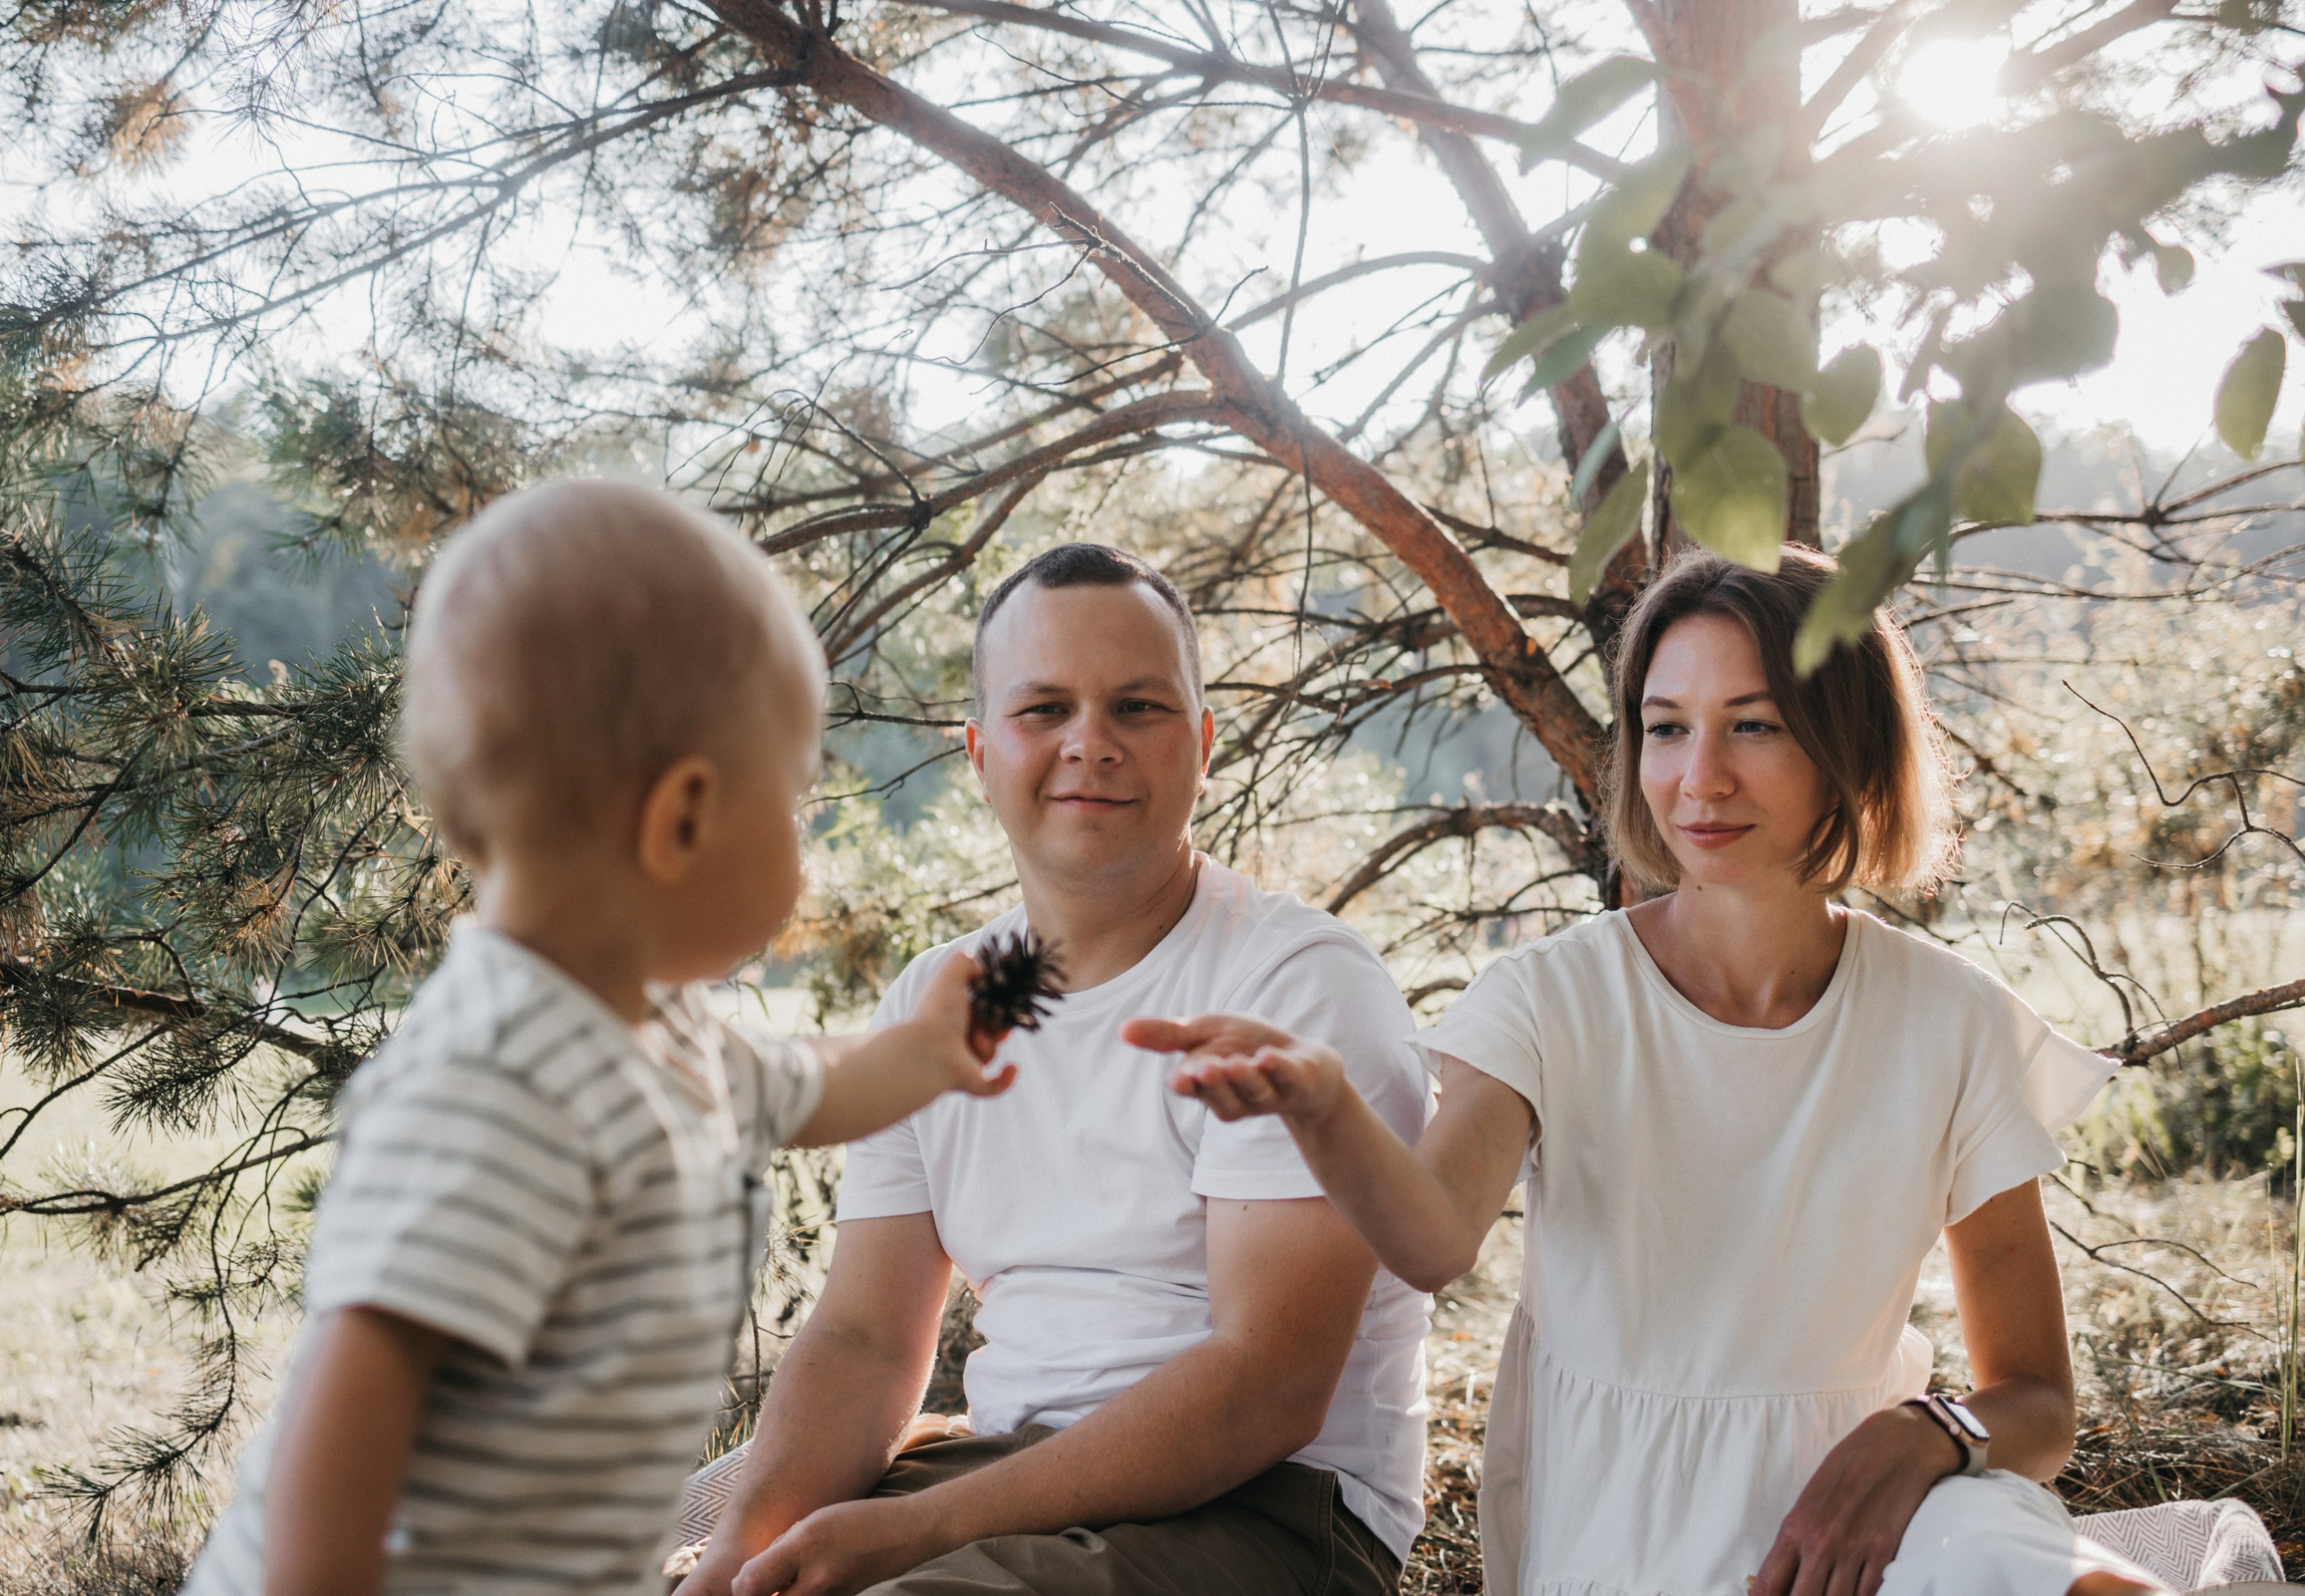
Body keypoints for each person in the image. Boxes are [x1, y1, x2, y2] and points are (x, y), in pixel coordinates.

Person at [1127, 545, 2184, 1596]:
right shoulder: (1549, 998)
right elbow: (1432, 1238)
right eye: (1666, 728)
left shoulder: (1952, 1019)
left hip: (1881, 1521)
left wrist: (1927, 1435)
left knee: (2026, 1563)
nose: (1699, 777)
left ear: (1846, 743)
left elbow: (2038, 1404)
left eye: (1754, 725)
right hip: (1624, 1534)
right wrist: (1324, 1111)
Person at [179, 478, 1018, 1596]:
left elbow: (802, 1088)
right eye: (793, 800)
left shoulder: (656, 1026)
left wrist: (923, 1054)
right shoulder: (494, 1083)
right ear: (682, 818)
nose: (802, 843)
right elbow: (349, 1414)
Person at [674, 543, 1433, 1596]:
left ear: (1203, 744)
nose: (1091, 744)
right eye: (1044, 710)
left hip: (1270, 1508)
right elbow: (859, 1340)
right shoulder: (940, 1004)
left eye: (1137, 707)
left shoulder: (1296, 989)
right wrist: (735, 1551)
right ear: (978, 751)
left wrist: (907, 1535)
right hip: (999, 1477)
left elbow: (1265, 1391)